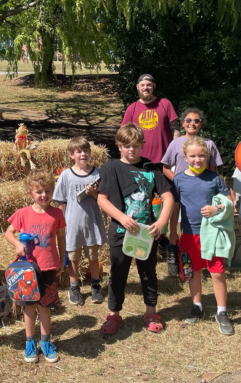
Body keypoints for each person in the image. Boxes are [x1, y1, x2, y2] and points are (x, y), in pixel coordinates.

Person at [97, 123, 173, 335]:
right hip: (120, 233)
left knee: (148, 273)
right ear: (119, 146)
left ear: (142, 146)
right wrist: (121, 218)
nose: (132, 150)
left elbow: (168, 197)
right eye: (127, 146)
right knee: (118, 273)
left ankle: (151, 312)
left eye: (136, 146)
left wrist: (161, 223)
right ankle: (113, 314)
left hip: (146, 233)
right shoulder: (110, 168)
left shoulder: (150, 168)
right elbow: (102, 199)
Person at [170, 136, 234, 335]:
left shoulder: (215, 178)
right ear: (185, 156)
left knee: (217, 272)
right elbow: (175, 207)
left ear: (206, 156)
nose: (197, 159)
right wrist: (172, 231)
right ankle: (197, 306)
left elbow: (228, 203)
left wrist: (216, 209)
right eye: (192, 156)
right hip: (189, 234)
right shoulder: (179, 179)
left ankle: (221, 312)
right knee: (194, 271)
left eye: (201, 156)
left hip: (213, 233)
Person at [5, 169, 66, 363]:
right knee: (30, 308)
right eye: (38, 191)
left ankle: (45, 342)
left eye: (47, 190)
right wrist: (17, 244)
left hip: (48, 267)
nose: (44, 195)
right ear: (30, 192)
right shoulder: (22, 214)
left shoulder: (57, 213)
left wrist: (62, 260)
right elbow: (8, 233)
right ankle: (30, 342)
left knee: (45, 307)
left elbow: (61, 238)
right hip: (27, 270)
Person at [53, 137, 106, 305]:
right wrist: (61, 225)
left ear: (90, 152)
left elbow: (104, 199)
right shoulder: (66, 175)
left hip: (92, 222)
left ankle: (96, 286)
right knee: (73, 257)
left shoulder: (98, 173)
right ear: (71, 155)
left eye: (86, 151)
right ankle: (74, 287)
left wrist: (94, 193)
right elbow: (61, 202)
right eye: (79, 151)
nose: (83, 154)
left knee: (93, 256)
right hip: (72, 223)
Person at [121, 74, 180, 170]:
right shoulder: (132, 108)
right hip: (139, 161)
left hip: (165, 160)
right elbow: (123, 137)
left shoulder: (165, 104)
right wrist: (123, 160)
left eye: (148, 85)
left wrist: (176, 151)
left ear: (154, 86)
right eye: (142, 85)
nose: (145, 88)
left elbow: (175, 128)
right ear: (137, 87)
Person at [162, 107, 222, 181]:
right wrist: (178, 182)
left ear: (201, 124)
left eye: (196, 121)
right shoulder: (175, 143)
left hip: (204, 186)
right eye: (188, 120)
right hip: (181, 189)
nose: (192, 123)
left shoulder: (209, 144)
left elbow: (213, 169)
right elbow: (166, 168)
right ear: (183, 123)